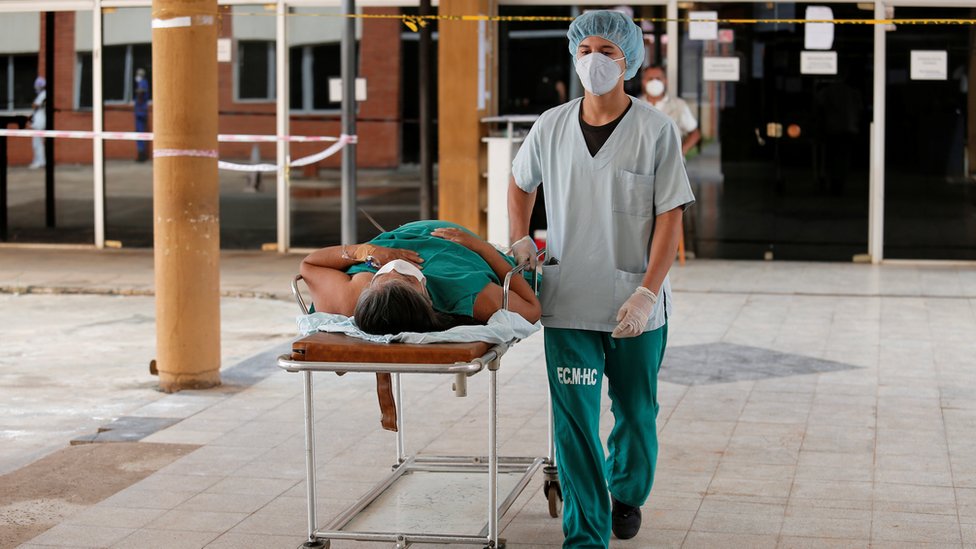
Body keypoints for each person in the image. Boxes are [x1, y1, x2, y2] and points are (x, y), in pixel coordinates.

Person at [508, 10, 695, 548]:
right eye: (585, 50)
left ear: (629, 62)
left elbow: (669, 217)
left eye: (607, 52)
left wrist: (647, 292)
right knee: (575, 426)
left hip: (634, 301)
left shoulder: (656, 131)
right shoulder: (551, 125)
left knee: (635, 411)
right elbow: (521, 184)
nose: (594, 61)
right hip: (568, 299)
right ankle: (586, 534)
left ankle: (628, 490)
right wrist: (521, 236)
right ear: (574, 56)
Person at [299, 220, 541, 335]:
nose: (395, 268)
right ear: (425, 294)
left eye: (383, 277)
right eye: (406, 279)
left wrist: (366, 252)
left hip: (402, 234)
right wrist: (483, 249)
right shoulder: (471, 296)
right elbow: (531, 309)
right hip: (457, 245)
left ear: (370, 286)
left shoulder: (350, 296)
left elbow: (309, 264)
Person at [642, 65, 701, 156]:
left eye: (658, 78)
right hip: (641, 163)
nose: (654, 82)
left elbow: (694, 133)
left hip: (670, 162)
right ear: (644, 81)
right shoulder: (634, 105)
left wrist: (682, 151)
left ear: (665, 81)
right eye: (650, 79)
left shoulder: (678, 105)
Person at [28, 77, 46, 169]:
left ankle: (40, 162)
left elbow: (35, 105)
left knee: (37, 143)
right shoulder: (42, 94)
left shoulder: (43, 94)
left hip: (40, 121)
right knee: (37, 143)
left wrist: (33, 104)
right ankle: (39, 161)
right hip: (38, 121)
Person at [133, 68, 150, 162]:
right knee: (140, 133)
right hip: (141, 110)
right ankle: (141, 154)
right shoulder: (144, 82)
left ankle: (141, 155)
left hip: (140, 111)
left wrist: (138, 98)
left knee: (140, 133)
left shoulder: (143, 82)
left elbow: (141, 92)